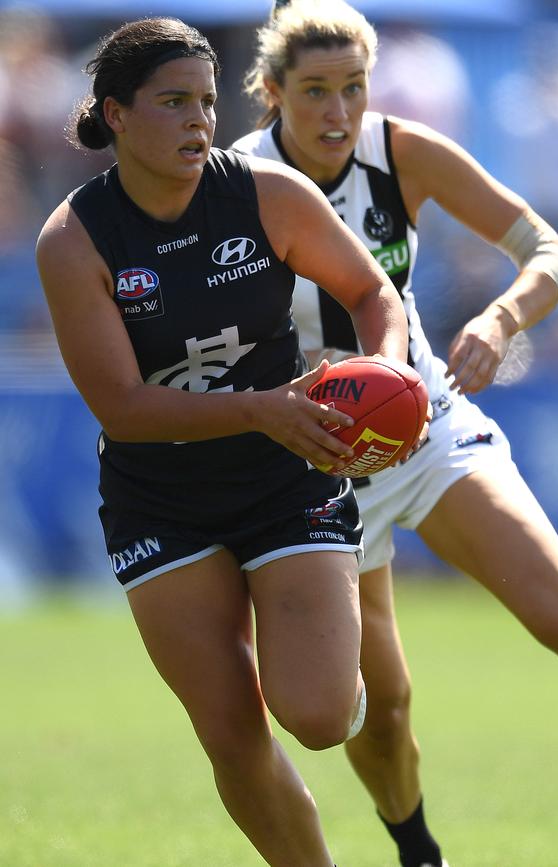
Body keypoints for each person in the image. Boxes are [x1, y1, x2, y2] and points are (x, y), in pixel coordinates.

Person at [234, 2, 558, 866]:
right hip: (318, 471)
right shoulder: (236, 184)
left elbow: (546, 247)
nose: (338, 112)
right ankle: (421, 854)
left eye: (353, 87)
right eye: (314, 91)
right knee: (379, 713)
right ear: (271, 92)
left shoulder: (400, 152)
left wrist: (501, 320)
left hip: (425, 426)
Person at [35, 16, 414, 867]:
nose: (199, 121)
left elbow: (371, 291)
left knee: (316, 718)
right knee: (233, 736)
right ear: (117, 115)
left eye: (207, 102)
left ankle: (337, 673)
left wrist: (391, 376)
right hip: (159, 499)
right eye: (173, 103)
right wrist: (262, 404)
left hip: (287, 476)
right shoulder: (73, 240)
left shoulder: (268, 193)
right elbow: (124, 407)